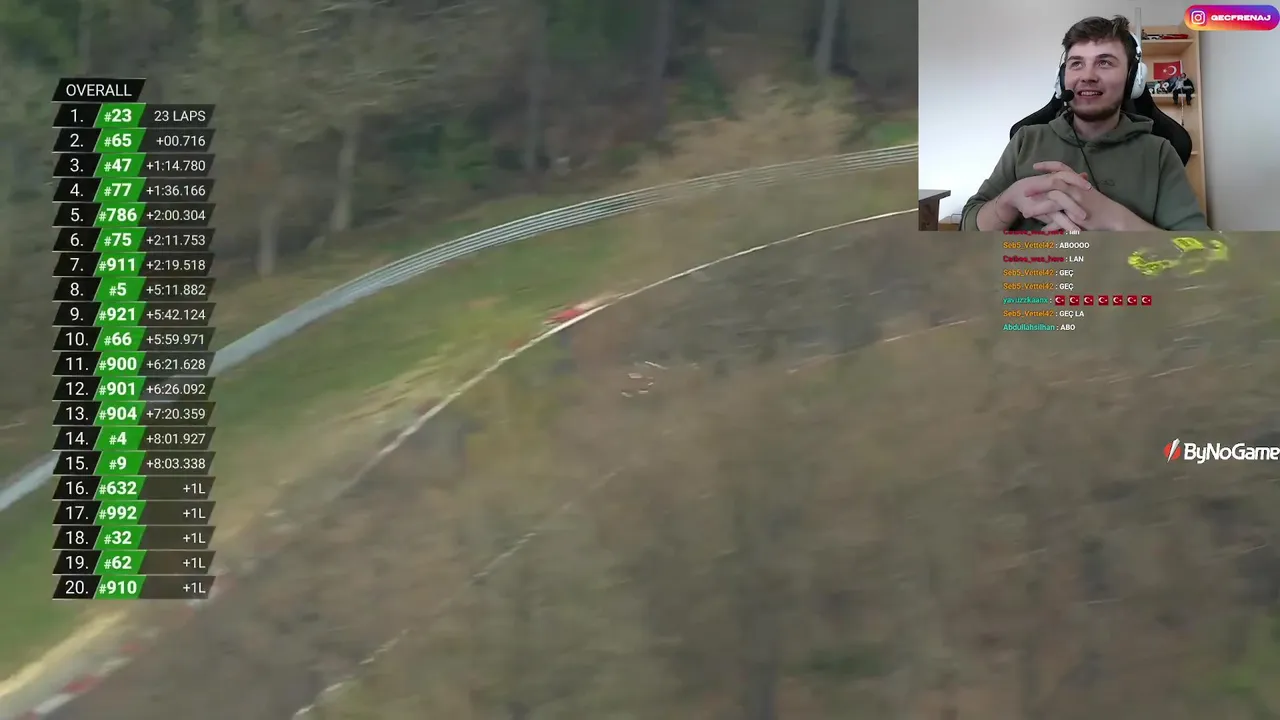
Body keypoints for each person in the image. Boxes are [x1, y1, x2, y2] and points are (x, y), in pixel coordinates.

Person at [961, 15, 1209, 232]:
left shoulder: (1159, 152)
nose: (1087, 76)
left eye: (1105, 62)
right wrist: (1007, 201)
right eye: (1076, 63)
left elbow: (1198, 253)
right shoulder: (1026, 139)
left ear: (1132, 79)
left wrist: (1113, 218)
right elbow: (968, 227)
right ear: (1062, 79)